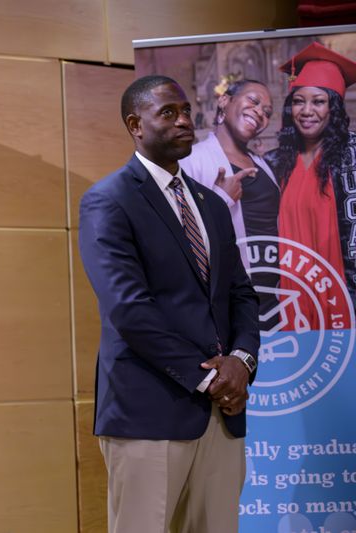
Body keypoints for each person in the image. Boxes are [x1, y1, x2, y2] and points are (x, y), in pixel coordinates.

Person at [78, 75, 260, 533]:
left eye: (186, 111)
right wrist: (212, 379)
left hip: (223, 414)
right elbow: (129, 310)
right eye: (169, 113)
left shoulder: (213, 205)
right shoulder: (109, 200)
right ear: (135, 125)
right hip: (149, 411)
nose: (184, 121)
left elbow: (241, 294)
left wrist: (240, 361)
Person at [270, 42, 356, 330]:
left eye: (318, 101)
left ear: (333, 107)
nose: (307, 111)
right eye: (298, 101)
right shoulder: (277, 162)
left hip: (342, 291)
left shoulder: (352, 155)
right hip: (291, 293)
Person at [180, 79, 280, 327]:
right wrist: (222, 200)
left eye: (267, 112)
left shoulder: (262, 164)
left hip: (274, 295)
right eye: (254, 101)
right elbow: (178, 238)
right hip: (231, 297)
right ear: (225, 101)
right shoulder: (191, 161)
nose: (260, 112)